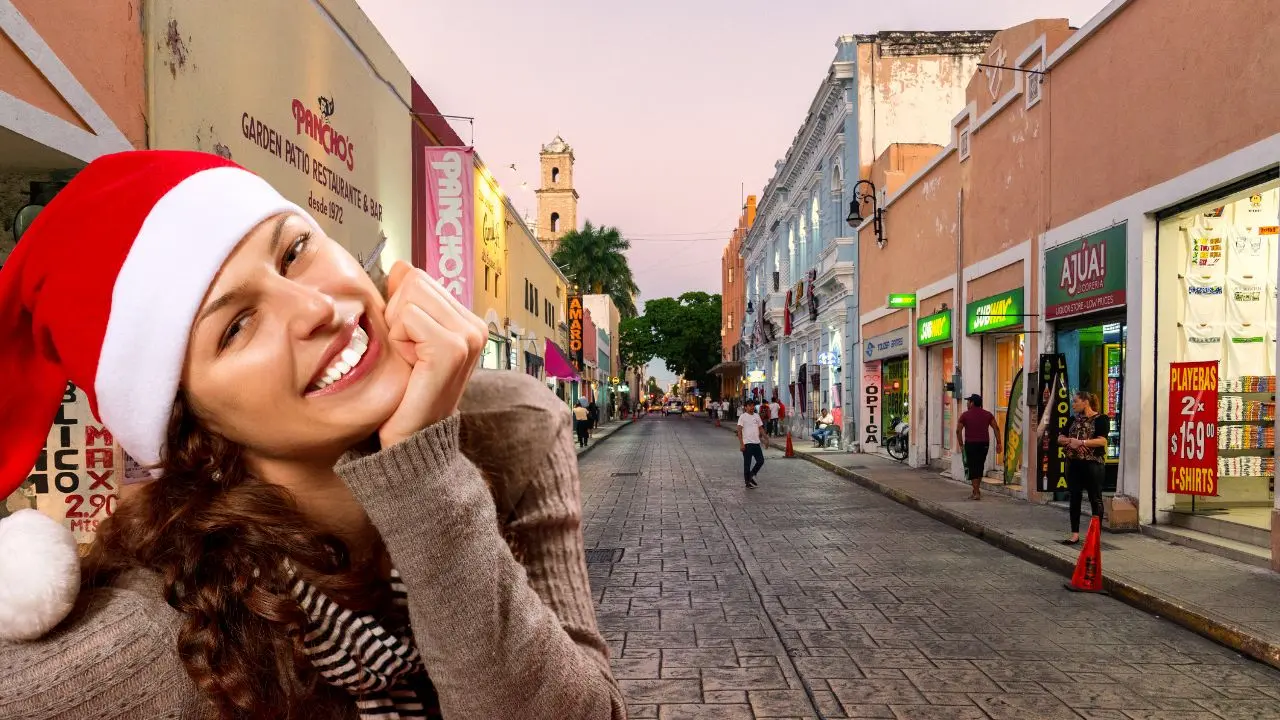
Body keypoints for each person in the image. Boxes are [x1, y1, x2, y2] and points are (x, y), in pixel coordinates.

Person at [0, 151, 624, 720]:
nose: (316, 308)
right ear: (190, 424)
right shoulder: (152, 641)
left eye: (294, 252)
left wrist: (426, 475)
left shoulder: (512, 430)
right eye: (237, 326)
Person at [1057, 391, 1109, 544]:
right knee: (1074, 497)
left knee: (1095, 499)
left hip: (1093, 464)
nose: (1073, 404)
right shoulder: (1072, 419)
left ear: (1086, 402)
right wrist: (1070, 440)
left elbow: (1102, 441)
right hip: (1074, 464)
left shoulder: (1101, 419)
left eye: (1075, 401)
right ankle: (1074, 534)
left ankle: (1095, 536)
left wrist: (1082, 443)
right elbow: (1060, 438)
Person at [957, 394, 1002, 500]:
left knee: (972, 467)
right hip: (984, 444)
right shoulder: (987, 414)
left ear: (972, 403)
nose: (967, 403)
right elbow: (996, 428)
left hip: (971, 444)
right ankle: (975, 491)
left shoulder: (965, 415)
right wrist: (999, 443)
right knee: (980, 466)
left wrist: (961, 445)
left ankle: (976, 493)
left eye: (968, 401)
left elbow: (958, 430)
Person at [737, 400, 767, 488]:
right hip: (747, 444)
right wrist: (741, 444)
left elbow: (760, 428)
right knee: (747, 464)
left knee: (761, 461)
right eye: (750, 406)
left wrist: (766, 438)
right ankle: (747, 482)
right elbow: (739, 431)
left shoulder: (756, 416)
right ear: (745, 407)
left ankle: (751, 475)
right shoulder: (742, 417)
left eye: (753, 406)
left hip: (756, 443)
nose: (752, 407)